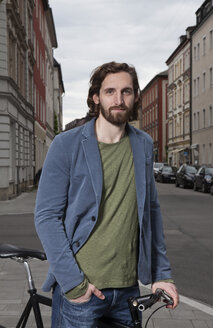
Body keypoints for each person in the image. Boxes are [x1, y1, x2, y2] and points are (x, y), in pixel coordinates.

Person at [34, 61, 179, 328]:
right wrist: (74, 284)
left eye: (126, 91)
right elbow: (46, 216)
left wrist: (163, 275)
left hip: (128, 292)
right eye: (110, 91)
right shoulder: (66, 144)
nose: (119, 99)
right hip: (83, 290)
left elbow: (152, 213)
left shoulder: (143, 144)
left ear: (135, 96)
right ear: (96, 97)